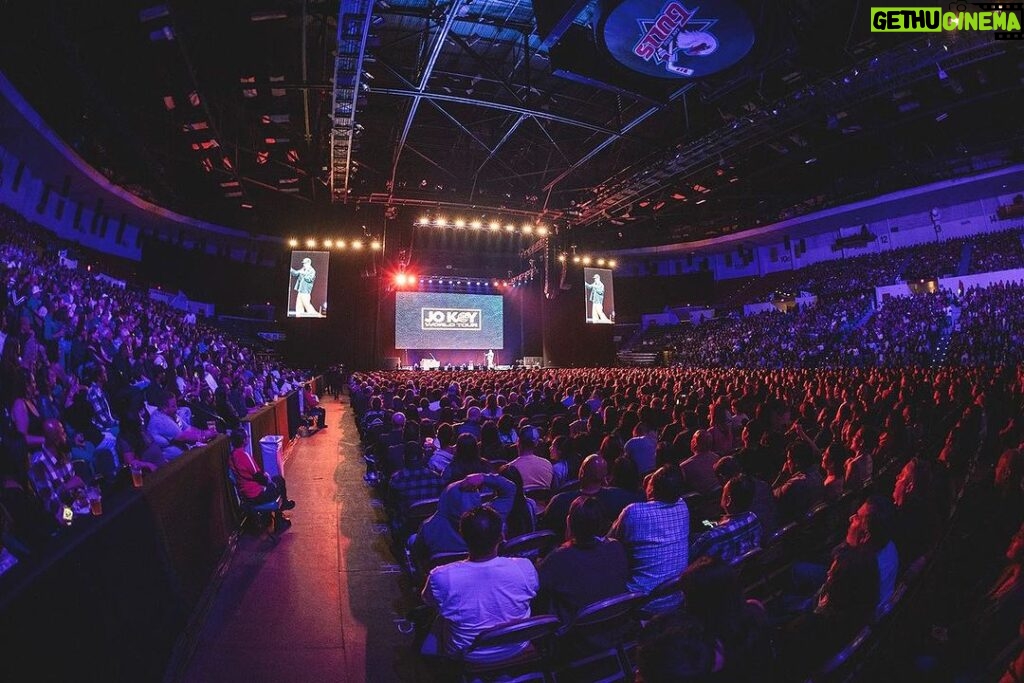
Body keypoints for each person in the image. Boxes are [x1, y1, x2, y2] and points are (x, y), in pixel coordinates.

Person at [421, 505, 539, 663]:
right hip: (517, 646)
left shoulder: (441, 576)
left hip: (468, 655)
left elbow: (428, 601)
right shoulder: (525, 567)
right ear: (501, 536)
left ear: (462, 536)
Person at [608, 464, 690, 610]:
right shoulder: (683, 506)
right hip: (677, 597)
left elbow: (609, 542)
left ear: (652, 488)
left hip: (642, 601)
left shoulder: (634, 512)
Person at [227, 430, 295, 527]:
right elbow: (259, 476)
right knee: (278, 481)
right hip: (256, 495)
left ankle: (279, 509)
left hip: (245, 495)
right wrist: (268, 480)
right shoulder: (244, 455)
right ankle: (280, 518)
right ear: (244, 441)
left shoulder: (231, 456)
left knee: (275, 481)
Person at [691, 474, 762, 563]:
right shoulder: (753, 518)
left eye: (723, 492)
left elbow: (689, 559)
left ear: (728, 500)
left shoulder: (711, 537)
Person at [148, 391, 214, 461]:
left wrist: (203, 433)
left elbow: (188, 429)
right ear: (164, 408)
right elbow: (184, 436)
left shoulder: (170, 414)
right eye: (173, 406)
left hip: (185, 455)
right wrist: (205, 435)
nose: (176, 409)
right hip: (173, 464)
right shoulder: (160, 421)